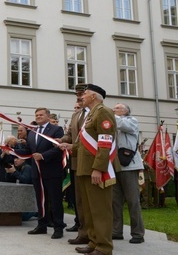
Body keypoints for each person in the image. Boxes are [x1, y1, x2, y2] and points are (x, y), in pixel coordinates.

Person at [65, 84, 119, 255]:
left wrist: (98, 169)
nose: (82, 96)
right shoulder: (91, 115)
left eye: (85, 93)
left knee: (100, 209)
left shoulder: (103, 111)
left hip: (95, 170)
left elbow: (105, 142)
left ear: (94, 96)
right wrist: (69, 146)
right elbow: (83, 144)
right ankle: (94, 242)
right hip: (84, 168)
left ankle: (104, 247)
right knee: (88, 210)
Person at [26, 107, 65, 239]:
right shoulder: (32, 132)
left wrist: (43, 156)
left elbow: (59, 149)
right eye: (36, 115)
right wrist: (13, 152)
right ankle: (41, 225)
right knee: (41, 200)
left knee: (55, 200)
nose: (38, 117)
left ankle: (58, 227)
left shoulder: (56, 130)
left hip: (52, 171)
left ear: (48, 117)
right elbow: (28, 150)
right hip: (37, 171)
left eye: (41, 115)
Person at [58, 83, 90, 245]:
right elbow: (70, 134)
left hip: (92, 164)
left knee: (92, 202)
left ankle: (97, 235)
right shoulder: (77, 115)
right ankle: (83, 232)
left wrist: (72, 146)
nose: (78, 98)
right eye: (77, 96)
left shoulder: (98, 113)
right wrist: (60, 140)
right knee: (80, 201)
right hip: (77, 163)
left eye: (81, 95)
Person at [112, 103, 145, 244]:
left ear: (126, 111)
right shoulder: (113, 122)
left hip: (129, 167)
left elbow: (121, 124)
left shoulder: (132, 121)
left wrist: (108, 114)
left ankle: (137, 233)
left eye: (117, 108)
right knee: (115, 202)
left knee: (133, 201)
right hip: (114, 166)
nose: (114, 109)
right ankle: (116, 231)